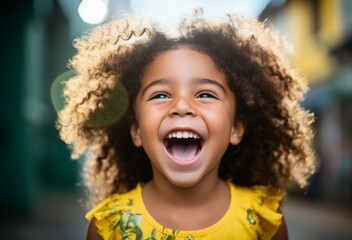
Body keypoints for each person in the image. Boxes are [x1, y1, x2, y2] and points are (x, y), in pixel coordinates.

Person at [55, 10, 315, 240]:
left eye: (205, 94)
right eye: (160, 95)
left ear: (236, 128)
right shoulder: (108, 227)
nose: (181, 106)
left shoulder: (263, 220)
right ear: (136, 132)